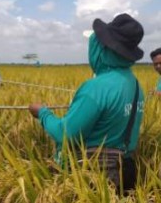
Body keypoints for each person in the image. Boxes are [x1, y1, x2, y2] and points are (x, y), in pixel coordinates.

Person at [29, 13, 145, 193]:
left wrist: (42, 113)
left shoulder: (95, 88)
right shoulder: (135, 84)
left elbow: (65, 134)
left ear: (102, 49)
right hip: (125, 169)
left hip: (94, 177)